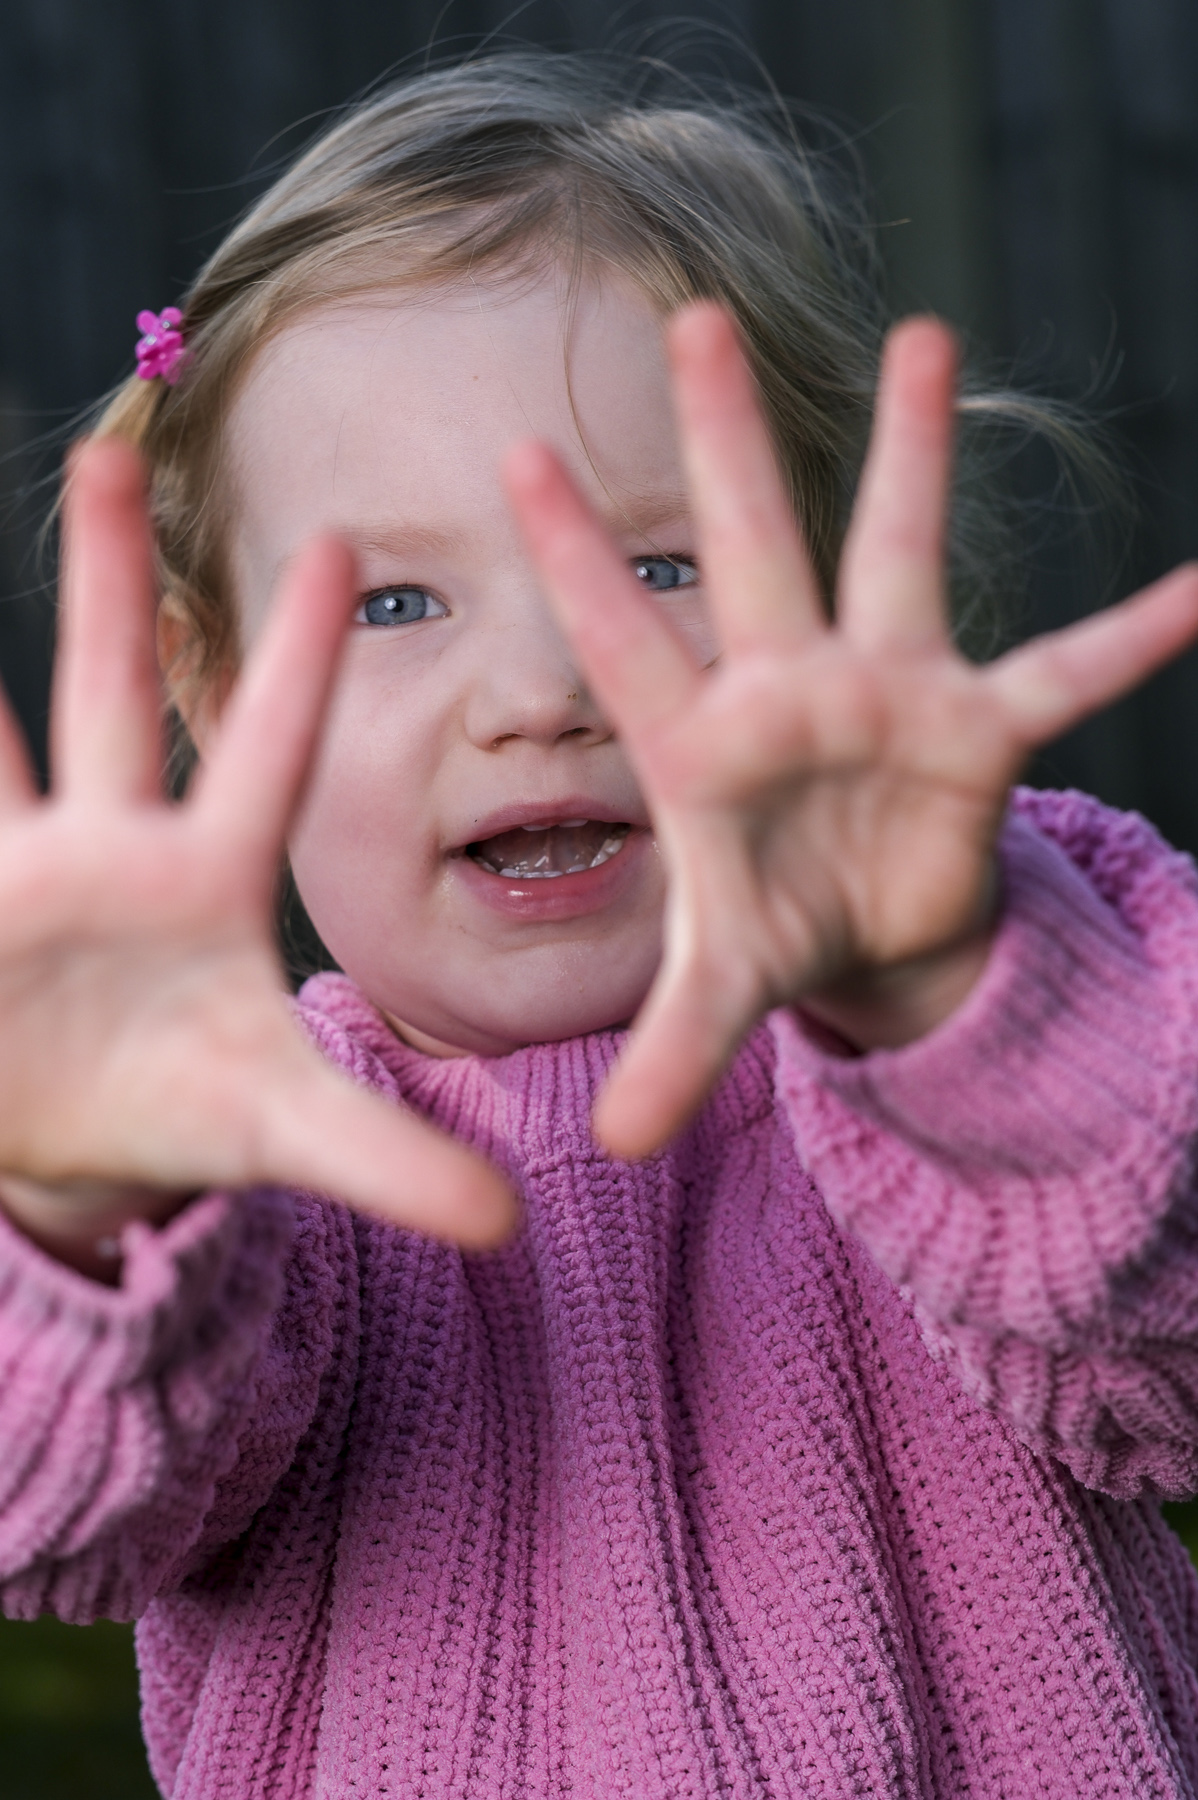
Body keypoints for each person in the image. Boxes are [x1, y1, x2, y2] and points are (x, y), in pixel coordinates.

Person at [2, 51, 1198, 1798]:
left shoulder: (1031, 960)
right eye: (394, 600)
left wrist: (951, 1002)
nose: (541, 691)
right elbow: (56, 1529)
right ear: (211, 683)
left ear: (832, 585)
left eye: (654, 568)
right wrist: (77, 1205)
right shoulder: (245, 1168)